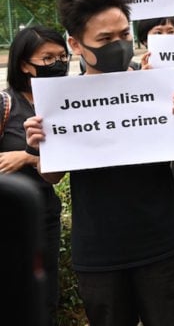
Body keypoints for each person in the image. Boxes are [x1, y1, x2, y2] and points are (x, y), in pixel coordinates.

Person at [24, 0, 174, 326]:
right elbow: (53, 176)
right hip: (100, 252)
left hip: (161, 244)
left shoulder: (158, 91)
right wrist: (40, 145)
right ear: (75, 44)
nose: (118, 46)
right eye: (104, 40)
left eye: (123, 35)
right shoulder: (60, 103)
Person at [0, 26, 69, 325]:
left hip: (44, 218)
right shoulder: (6, 104)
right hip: (7, 219)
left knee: (44, 298)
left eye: (62, 56)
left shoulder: (63, 104)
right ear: (24, 64)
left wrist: (28, 157)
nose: (58, 63)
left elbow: (56, 175)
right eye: (48, 57)